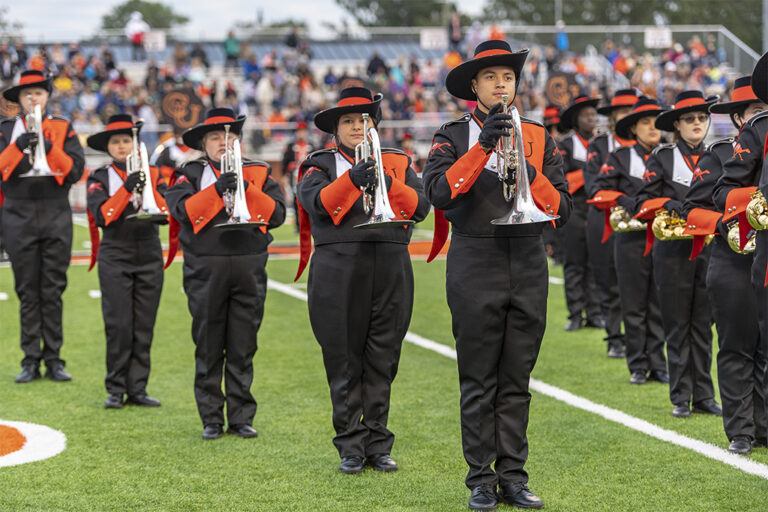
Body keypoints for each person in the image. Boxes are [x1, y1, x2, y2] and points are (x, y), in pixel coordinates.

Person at [422, 40, 572, 511]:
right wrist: (483, 147)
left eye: (507, 76)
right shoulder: (451, 135)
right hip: (475, 261)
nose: (501, 84)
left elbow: (563, 208)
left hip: (527, 260)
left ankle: (513, 477)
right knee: (478, 379)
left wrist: (526, 165)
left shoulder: (539, 135)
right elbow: (438, 194)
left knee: (517, 378)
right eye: (490, 77)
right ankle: (481, 479)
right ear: (474, 86)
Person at [295, 87, 429, 474]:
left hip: (390, 265)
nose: (357, 127)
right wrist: (352, 180)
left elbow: (421, 206)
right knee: (343, 358)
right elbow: (315, 204)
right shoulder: (318, 164)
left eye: (364, 120)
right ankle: (350, 445)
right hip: (338, 268)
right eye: (349, 121)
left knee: (383, 358)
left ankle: (378, 442)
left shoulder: (398, 161)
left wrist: (386, 179)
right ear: (335, 129)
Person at [165, 108, 286, 440]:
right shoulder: (188, 173)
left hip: (249, 266)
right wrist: (216, 190)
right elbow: (181, 212)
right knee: (208, 344)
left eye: (230, 137)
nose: (223, 142)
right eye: (216, 137)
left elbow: (277, 214)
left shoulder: (258, 171)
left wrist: (247, 188)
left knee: (243, 344)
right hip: (206, 268)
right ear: (204, 143)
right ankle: (211, 418)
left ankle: (241, 416)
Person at [631, 90, 721, 418]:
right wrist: (668, 203)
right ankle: (681, 396)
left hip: (709, 250)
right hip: (672, 251)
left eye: (702, 118)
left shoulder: (717, 156)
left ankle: (704, 395)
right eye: (690, 119)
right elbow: (641, 201)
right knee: (677, 322)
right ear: (677, 125)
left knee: (703, 324)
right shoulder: (663, 157)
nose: (697, 123)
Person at [0, 69, 85, 383]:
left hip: (54, 211)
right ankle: (30, 360)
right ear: (19, 99)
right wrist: (19, 146)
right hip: (18, 213)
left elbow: (75, 171)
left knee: (52, 289)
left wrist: (49, 148)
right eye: (27, 94)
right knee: (27, 290)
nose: (33, 98)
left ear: (47, 96)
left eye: (38, 92)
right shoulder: (6, 129)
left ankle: (54, 359)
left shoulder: (62, 127)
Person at [85, 114, 168, 409]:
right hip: (115, 254)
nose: (121, 146)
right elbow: (102, 215)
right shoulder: (98, 177)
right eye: (115, 142)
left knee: (144, 325)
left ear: (135, 144)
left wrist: (146, 187)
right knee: (119, 325)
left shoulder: (154, 173)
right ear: (108, 147)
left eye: (126, 141)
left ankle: (138, 388)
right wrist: (126, 189)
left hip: (148, 252)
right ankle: (116, 388)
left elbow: (166, 211)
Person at [590, 97, 668, 384]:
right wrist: (624, 199)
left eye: (656, 123)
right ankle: (637, 365)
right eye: (645, 123)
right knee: (633, 304)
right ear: (634, 128)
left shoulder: (669, 155)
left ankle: (658, 364)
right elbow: (597, 190)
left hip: (663, 240)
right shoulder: (620, 157)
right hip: (630, 240)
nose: (652, 128)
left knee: (658, 304)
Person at [712, 59, 768, 452]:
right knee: (738, 344)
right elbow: (721, 193)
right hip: (739, 255)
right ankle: (742, 432)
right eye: (751, 109)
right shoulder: (758, 131)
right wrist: (761, 199)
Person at [585, 88, 639, 357]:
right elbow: (592, 185)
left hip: (639, 223)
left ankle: (639, 341)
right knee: (608, 281)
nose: (627, 116)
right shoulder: (599, 145)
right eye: (623, 112)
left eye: (632, 112)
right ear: (614, 116)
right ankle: (615, 337)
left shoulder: (650, 146)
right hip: (605, 220)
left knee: (639, 285)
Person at [558, 94, 603, 331]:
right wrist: (590, 174)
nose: (591, 119)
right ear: (576, 119)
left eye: (593, 115)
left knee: (594, 264)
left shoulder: (602, 144)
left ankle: (595, 313)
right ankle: (575, 314)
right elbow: (562, 179)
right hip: (574, 209)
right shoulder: (565, 145)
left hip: (596, 209)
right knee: (574, 263)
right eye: (586, 115)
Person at [281, 121, 313, 233]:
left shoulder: (312, 145)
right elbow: (285, 162)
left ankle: (310, 224)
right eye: (299, 131)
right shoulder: (291, 146)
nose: (301, 134)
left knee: (309, 200)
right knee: (296, 201)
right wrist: (284, 175)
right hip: (294, 177)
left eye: (303, 131)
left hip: (309, 176)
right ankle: (298, 226)